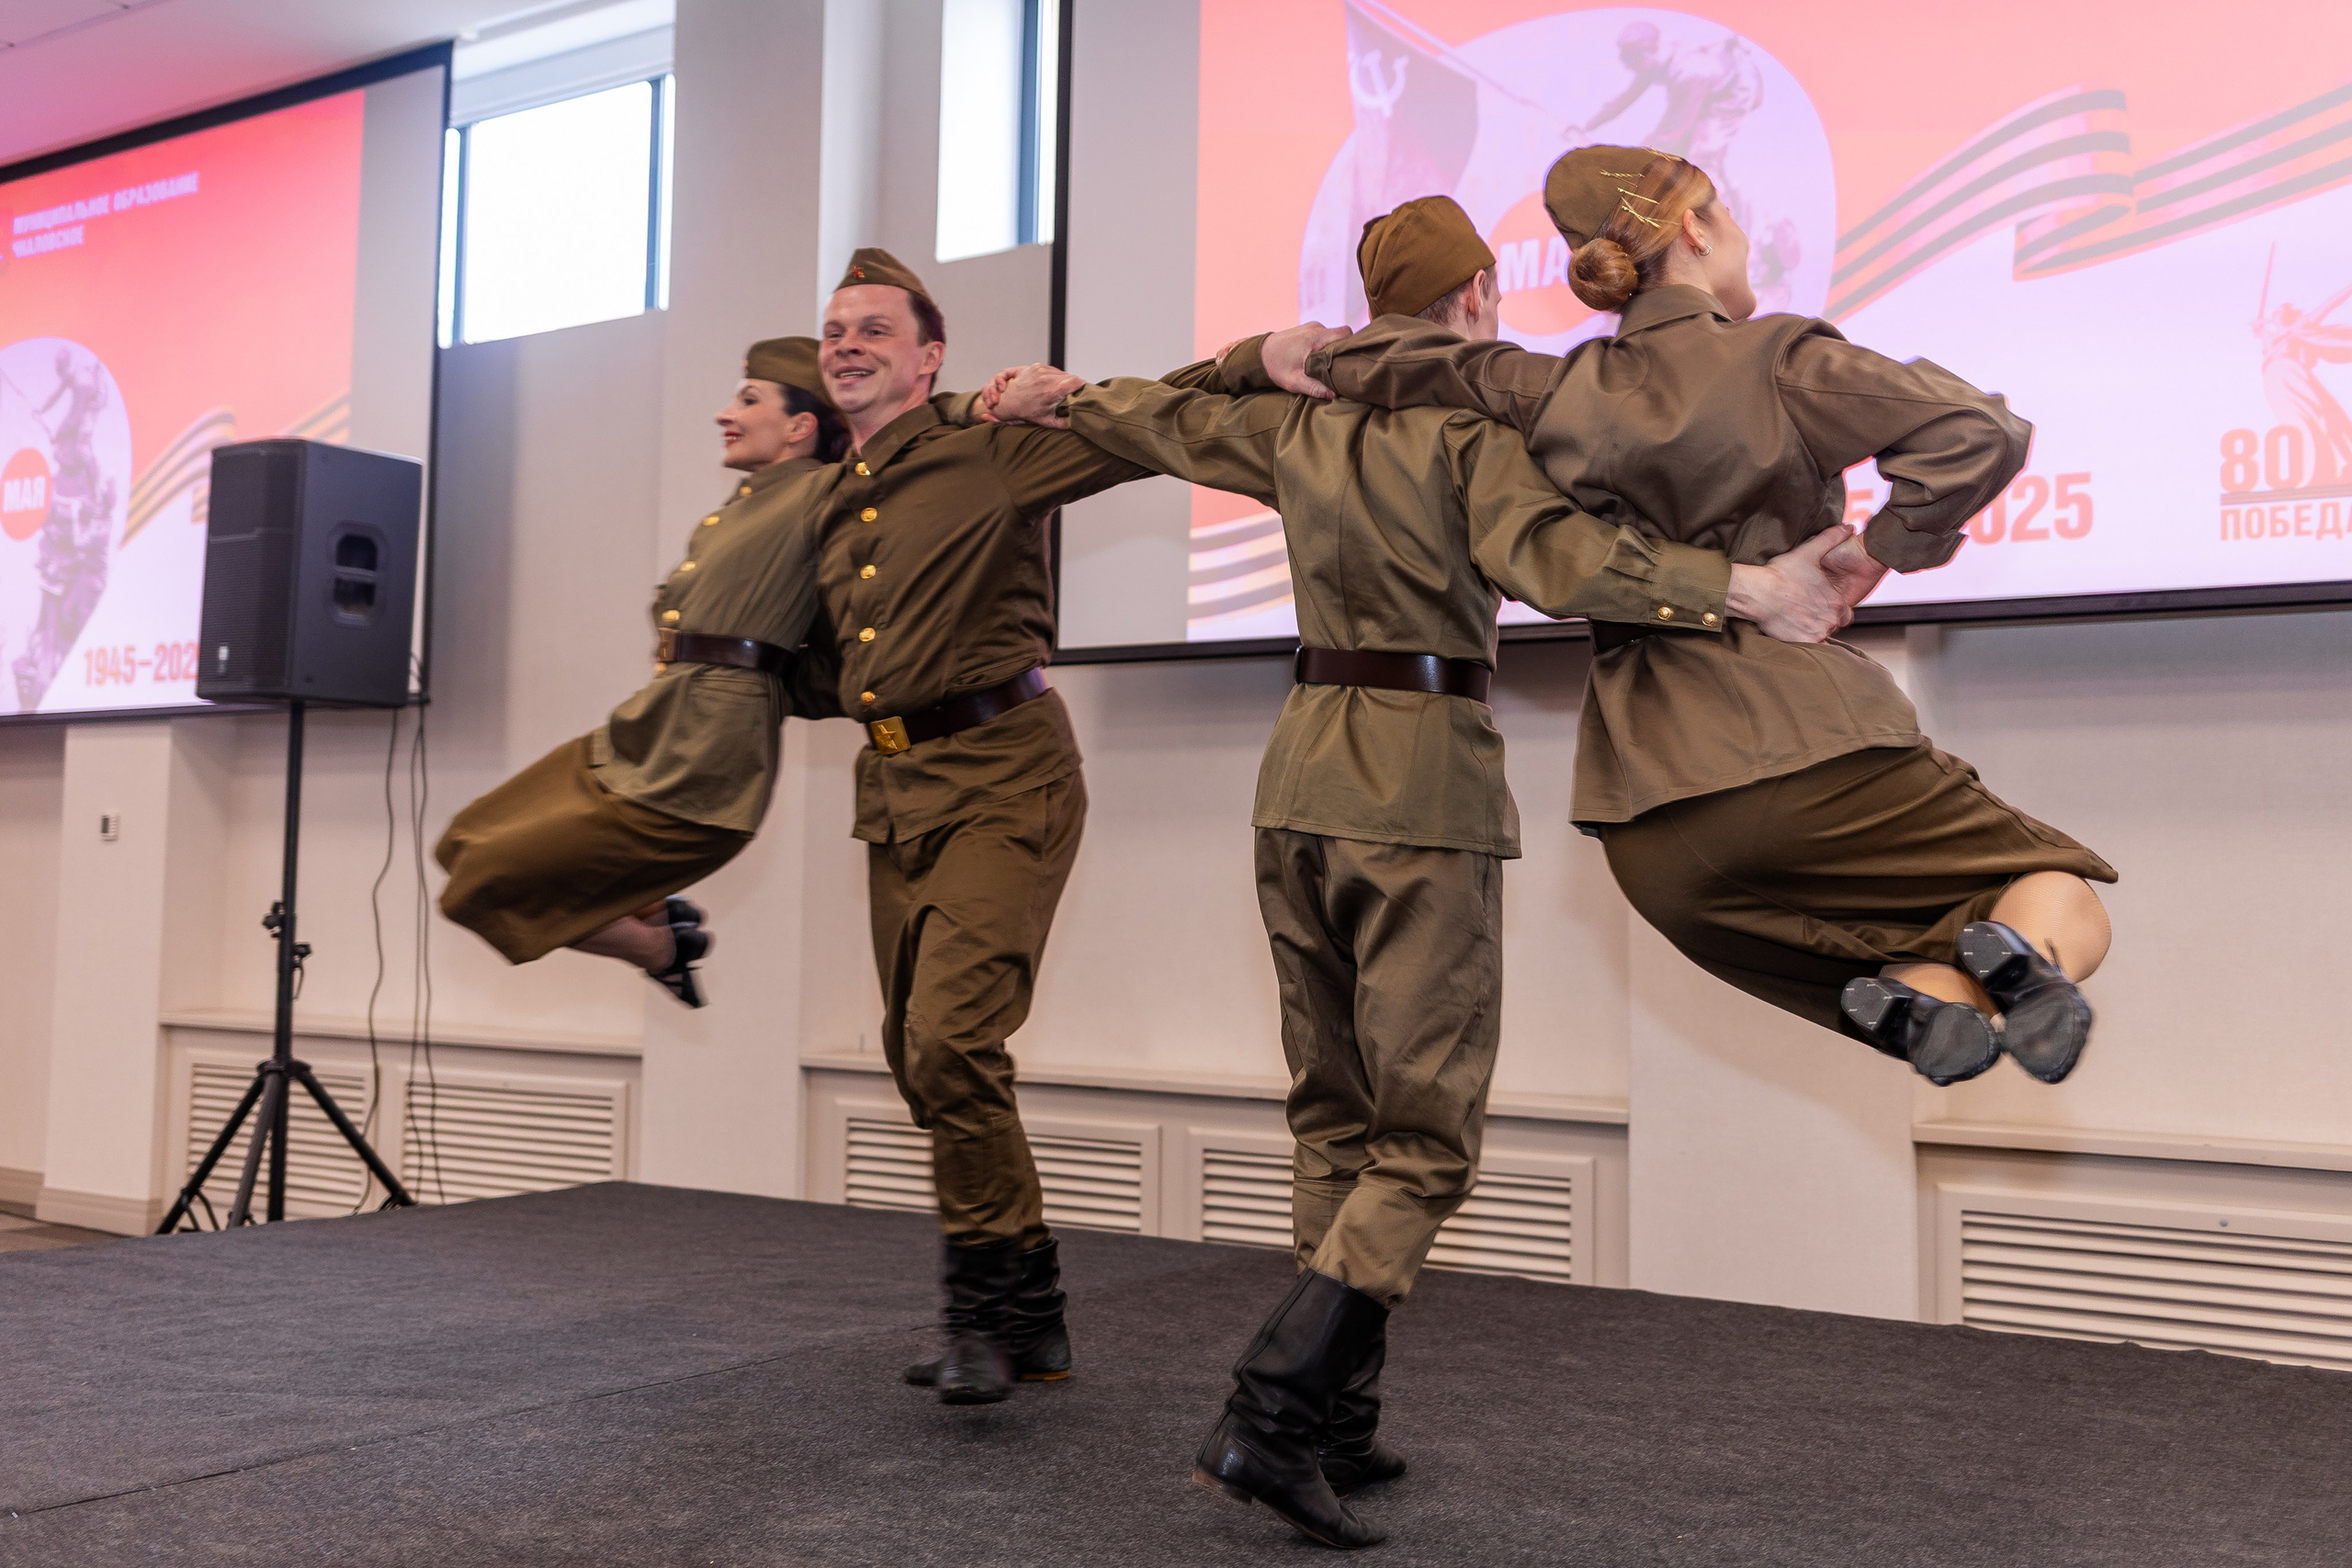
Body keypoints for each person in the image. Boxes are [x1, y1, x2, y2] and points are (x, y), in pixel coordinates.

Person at [984, 196, 1860, 1550]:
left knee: (1334, 1112)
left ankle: (1338, 1420)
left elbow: (1144, 417)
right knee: (1428, 1129)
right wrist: (1751, 591)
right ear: (1466, 304)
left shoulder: (1289, 420)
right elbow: (1572, 559)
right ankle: (1273, 1411)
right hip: (1421, 785)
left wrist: (1088, 384)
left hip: (1298, 780)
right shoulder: (1471, 427)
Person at [1256, 147, 2117, 1089]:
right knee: (2057, 892)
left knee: (1900, 978)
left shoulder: (1544, 389)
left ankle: (1940, 1007)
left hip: (1657, 837)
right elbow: (1979, 430)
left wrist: (1282, 351)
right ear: (1696, 228)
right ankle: (2019, 963)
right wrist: (1874, 551)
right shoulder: (1782, 361)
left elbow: (1390, 356)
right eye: (1731, 216)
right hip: (1802, 749)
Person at [797, 249, 1225, 1407]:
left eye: (874, 328)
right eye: (835, 328)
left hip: (1004, 775)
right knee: (917, 1055)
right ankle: (1027, 1314)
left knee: (948, 1039)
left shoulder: (989, 447)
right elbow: (826, 670)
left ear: (928, 355)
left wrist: (1245, 363)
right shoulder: (835, 501)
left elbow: (1149, 425)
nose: (848, 344)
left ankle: (983, 1316)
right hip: (892, 792)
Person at [435, 338, 851, 1006]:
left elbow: (905, 465)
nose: (725, 412)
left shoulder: (820, 494)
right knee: (462, 842)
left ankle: (661, 944)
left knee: (478, 884)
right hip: (649, 726)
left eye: (748, 400)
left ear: (801, 428)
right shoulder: (742, 507)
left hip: (701, 758)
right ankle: (654, 907)